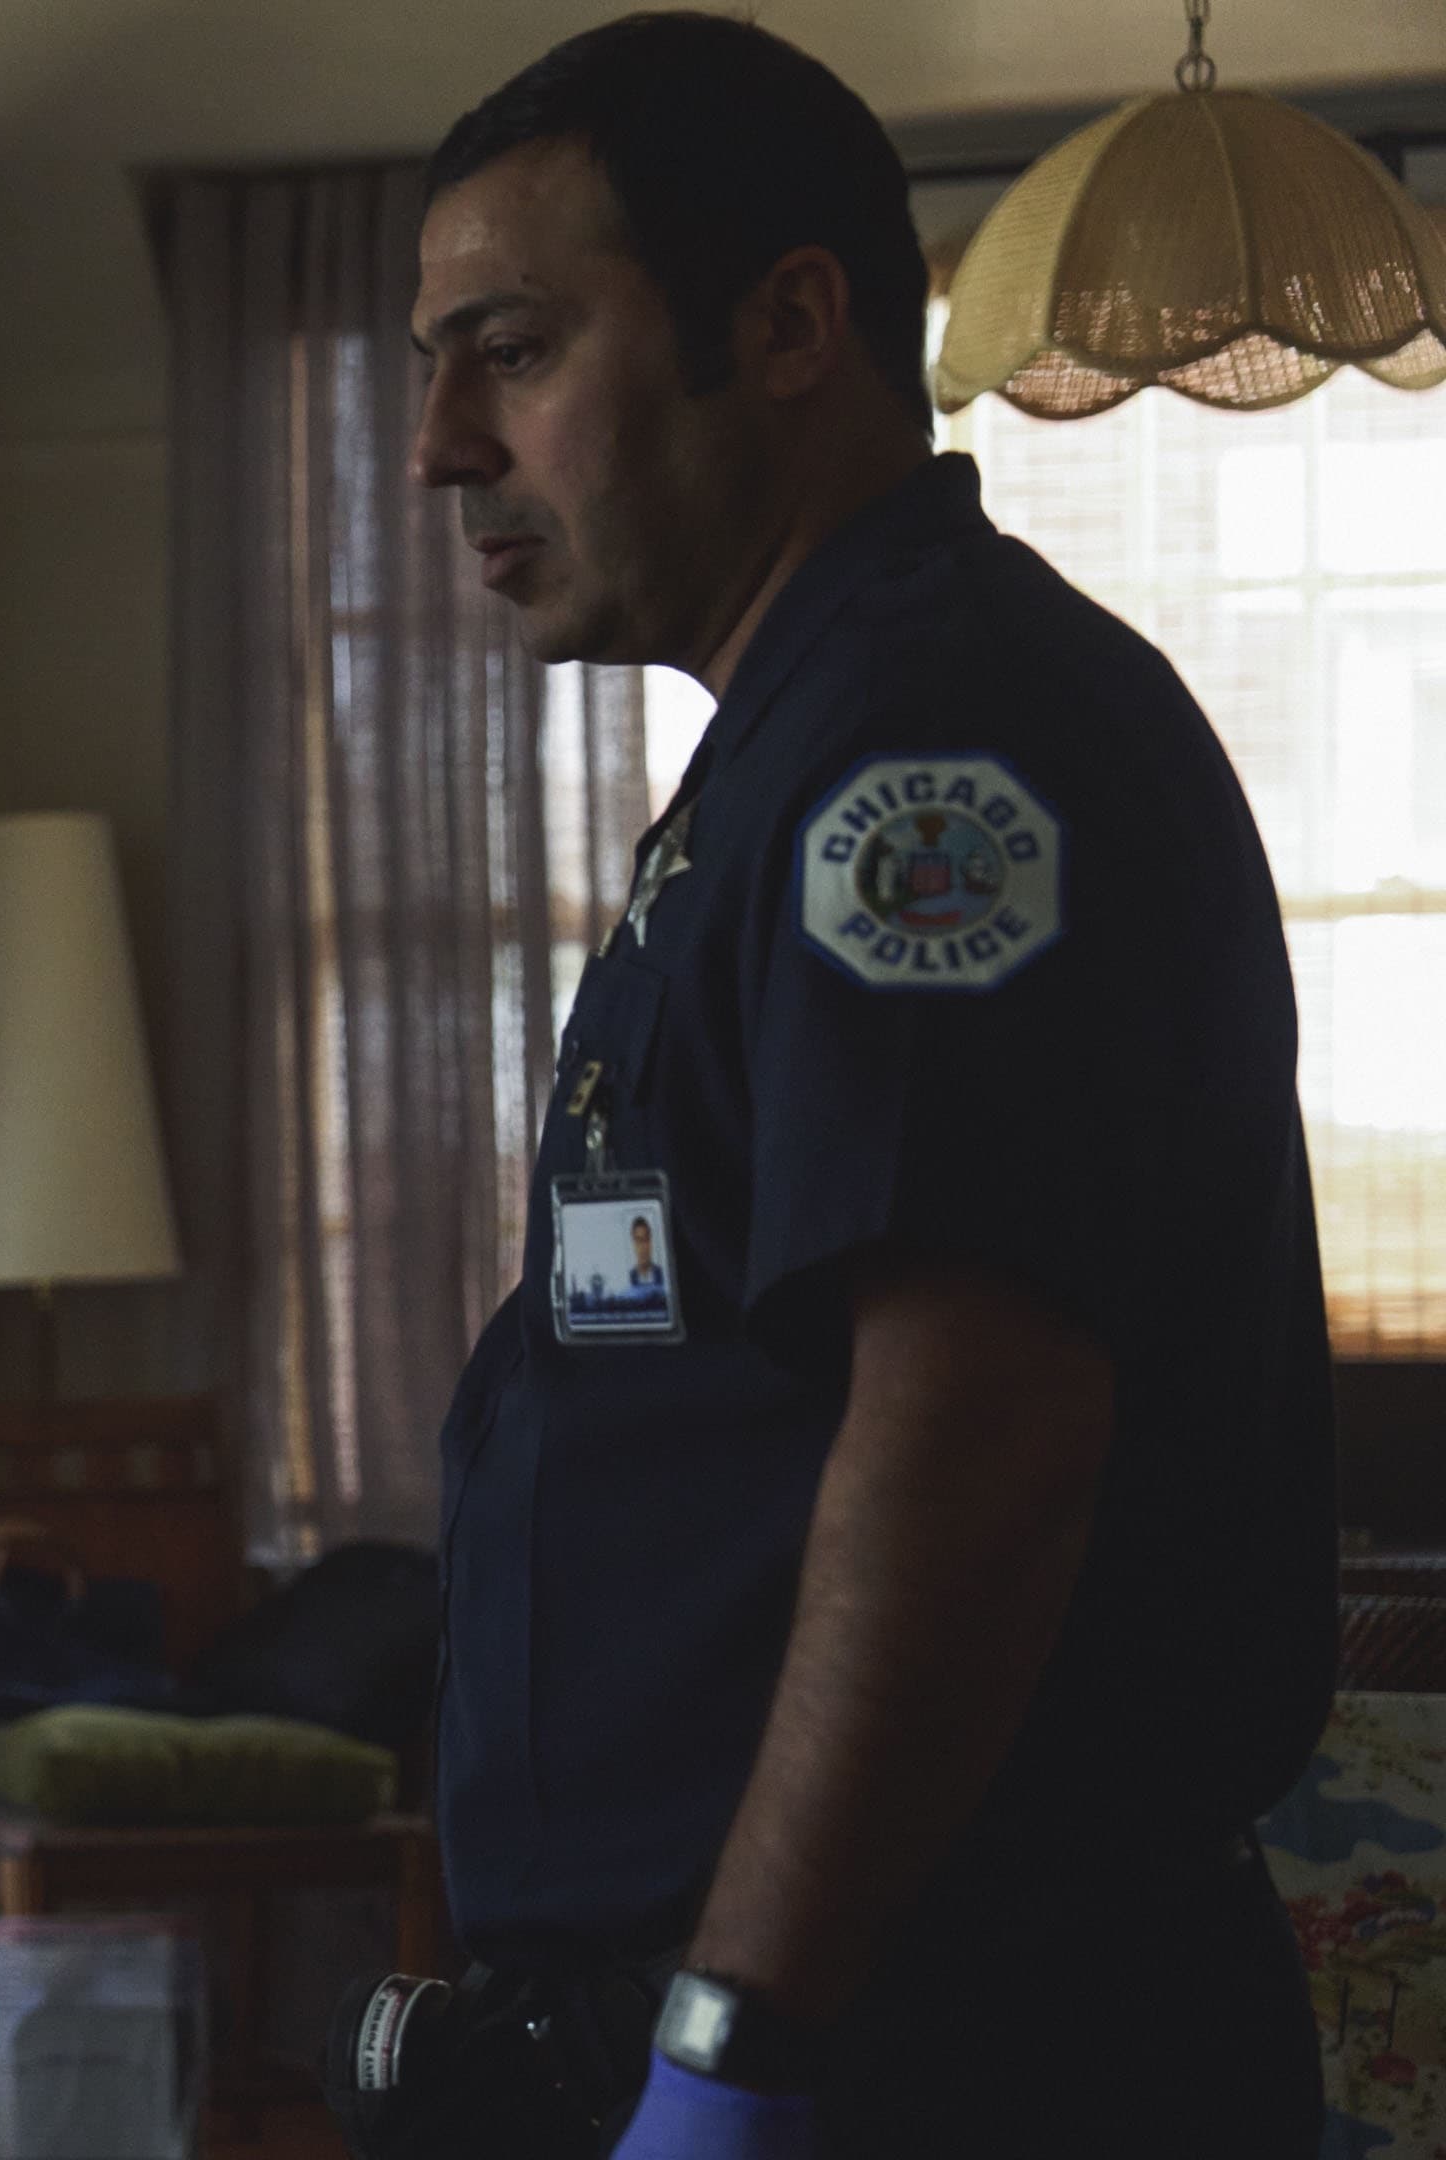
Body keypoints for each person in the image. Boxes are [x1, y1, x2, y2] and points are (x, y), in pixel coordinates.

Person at [378, 15, 1335, 2158]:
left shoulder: (936, 742)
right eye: (435, 365)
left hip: (944, 2054)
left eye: (510, 350)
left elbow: (971, 1432)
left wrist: (735, 2046)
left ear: (790, 325)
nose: (440, 445)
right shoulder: (801, 738)